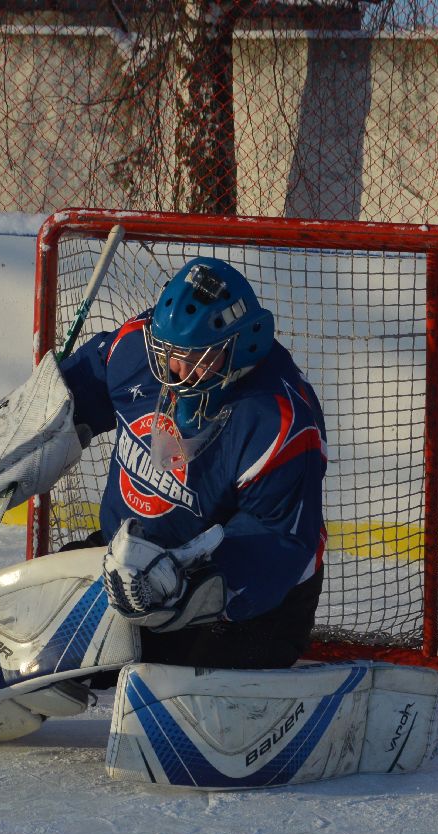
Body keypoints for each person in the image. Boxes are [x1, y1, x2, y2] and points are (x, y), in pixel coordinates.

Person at [57, 256, 328, 672]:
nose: (175, 370)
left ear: (240, 344)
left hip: (249, 601)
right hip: (133, 563)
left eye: (195, 356)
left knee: (170, 679)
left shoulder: (278, 420)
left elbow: (278, 539)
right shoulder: (140, 347)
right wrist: (40, 420)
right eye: (169, 352)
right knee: (44, 619)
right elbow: (84, 384)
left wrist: (185, 583)